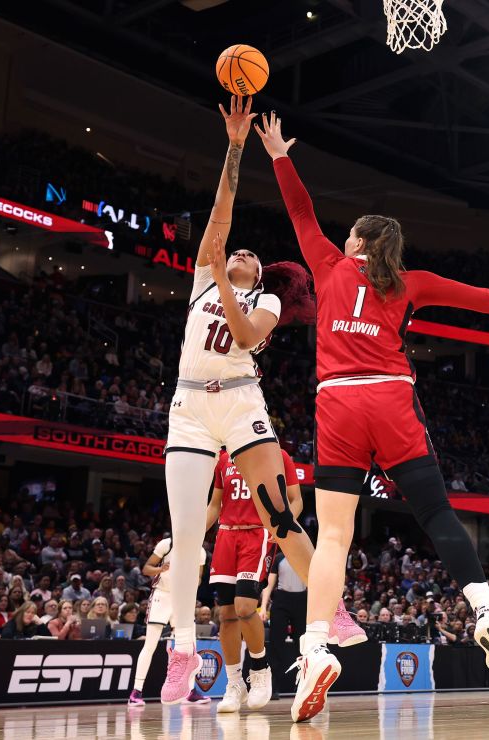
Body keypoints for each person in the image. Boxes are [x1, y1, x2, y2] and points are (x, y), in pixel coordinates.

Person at [256, 112, 489, 722]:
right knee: (436, 514)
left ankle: (314, 650)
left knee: (331, 534)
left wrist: (280, 153)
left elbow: (301, 213)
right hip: (390, 398)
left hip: (337, 403)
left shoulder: (329, 265)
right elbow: (480, 299)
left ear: (356, 241)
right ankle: (486, 610)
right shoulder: (411, 283)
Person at [159, 95, 322, 705]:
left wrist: (232, 286)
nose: (241, 253)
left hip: (239, 399)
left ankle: (332, 611)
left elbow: (248, 336)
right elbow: (220, 215)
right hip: (189, 405)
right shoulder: (207, 275)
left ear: (259, 273)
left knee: (280, 513)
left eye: (250, 256)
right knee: (183, 534)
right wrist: (234, 145)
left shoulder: (267, 302)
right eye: (236, 251)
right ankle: (182, 650)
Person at [206, 447, 357, 713]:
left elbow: (295, 499)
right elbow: (214, 504)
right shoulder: (222, 459)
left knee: (243, 607)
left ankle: (260, 667)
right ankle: (233, 684)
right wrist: (187, 537)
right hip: (226, 535)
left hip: (257, 534)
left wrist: (282, 522)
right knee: (226, 614)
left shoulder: (278, 455)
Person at [129, 537, 209, 707]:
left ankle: (190, 691)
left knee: (190, 646)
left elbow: (199, 578)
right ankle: (136, 692)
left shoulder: (199, 551)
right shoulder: (167, 544)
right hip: (162, 595)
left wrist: (191, 580)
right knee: (150, 645)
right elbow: (146, 569)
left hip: (182, 599)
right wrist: (161, 568)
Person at [261, 550, 307, 701]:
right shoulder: (279, 558)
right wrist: (263, 607)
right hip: (281, 601)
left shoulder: (307, 557)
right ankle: (273, 687)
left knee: (302, 646)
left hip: (301, 601)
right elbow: (269, 585)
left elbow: (313, 583)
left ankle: (304, 686)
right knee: (276, 645)